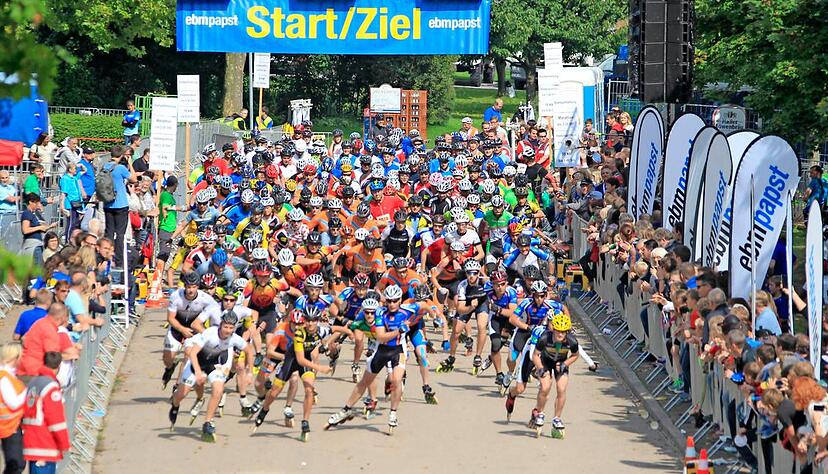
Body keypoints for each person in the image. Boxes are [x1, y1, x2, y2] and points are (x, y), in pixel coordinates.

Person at [169, 311, 252, 442]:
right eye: (225, 327)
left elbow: (249, 350)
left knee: (218, 390)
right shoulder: (210, 333)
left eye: (231, 328)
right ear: (220, 325)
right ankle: (175, 405)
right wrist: (197, 372)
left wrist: (249, 372)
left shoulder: (234, 338)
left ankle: (207, 422)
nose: (228, 331)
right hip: (197, 361)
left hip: (214, 364)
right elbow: (193, 353)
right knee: (181, 395)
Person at [22, 351, 71, 472]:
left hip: (32, 442)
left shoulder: (33, 383)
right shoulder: (51, 387)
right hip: (45, 443)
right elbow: (55, 419)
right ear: (59, 366)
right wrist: (64, 443)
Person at [18, 303, 78, 379]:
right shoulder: (51, 331)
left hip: (23, 367)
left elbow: (24, 338)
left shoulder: (39, 322)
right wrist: (70, 356)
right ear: (63, 318)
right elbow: (52, 359)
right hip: (34, 373)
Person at [102, 145, 138, 267]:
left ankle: (107, 256)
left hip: (108, 203)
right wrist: (130, 163)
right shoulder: (120, 168)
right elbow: (134, 179)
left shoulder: (105, 167)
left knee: (109, 232)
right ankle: (118, 259)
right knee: (120, 233)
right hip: (121, 204)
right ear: (121, 155)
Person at [0, 343, 26, 474]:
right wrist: (27, 391)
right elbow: (13, 403)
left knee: (17, 464)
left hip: (11, 425)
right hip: (9, 427)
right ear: (14, 358)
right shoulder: (4, 378)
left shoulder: (8, 376)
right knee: (15, 465)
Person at [21, 193, 57, 263]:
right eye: (36, 203)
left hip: (38, 244)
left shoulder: (32, 214)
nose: (37, 205)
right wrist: (39, 227)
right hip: (33, 245)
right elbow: (25, 230)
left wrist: (50, 226)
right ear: (30, 202)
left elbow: (40, 229)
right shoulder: (26, 213)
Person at [59, 162, 86, 241]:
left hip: (77, 203)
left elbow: (84, 170)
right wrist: (62, 206)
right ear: (70, 169)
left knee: (75, 223)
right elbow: (63, 193)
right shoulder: (65, 179)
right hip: (70, 204)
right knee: (71, 223)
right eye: (75, 169)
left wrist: (80, 165)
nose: (76, 170)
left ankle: (73, 239)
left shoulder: (74, 177)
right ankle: (67, 240)